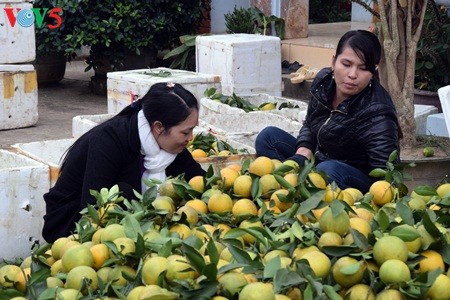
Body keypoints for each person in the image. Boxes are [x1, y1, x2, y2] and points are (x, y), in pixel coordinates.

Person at [42, 82, 206, 243]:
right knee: (122, 192)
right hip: (73, 223)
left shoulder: (169, 145)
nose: (190, 138)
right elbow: (93, 208)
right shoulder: (108, 140)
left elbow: (200, 183)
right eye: (186, 132)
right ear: (158, 127)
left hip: (123, 229)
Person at [255, 30, 400, 194]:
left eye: (363, 68)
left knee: (327, 171)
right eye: (346, 64)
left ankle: (312, 189)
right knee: (267, 138)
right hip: (321, 160)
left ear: (373, 72)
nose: (352, 75)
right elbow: (311, 123)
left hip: (352, 179)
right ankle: (299, 187)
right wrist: (302, 154)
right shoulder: (323, 83)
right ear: (333, 61)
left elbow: (388, 177)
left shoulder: (378, 114)